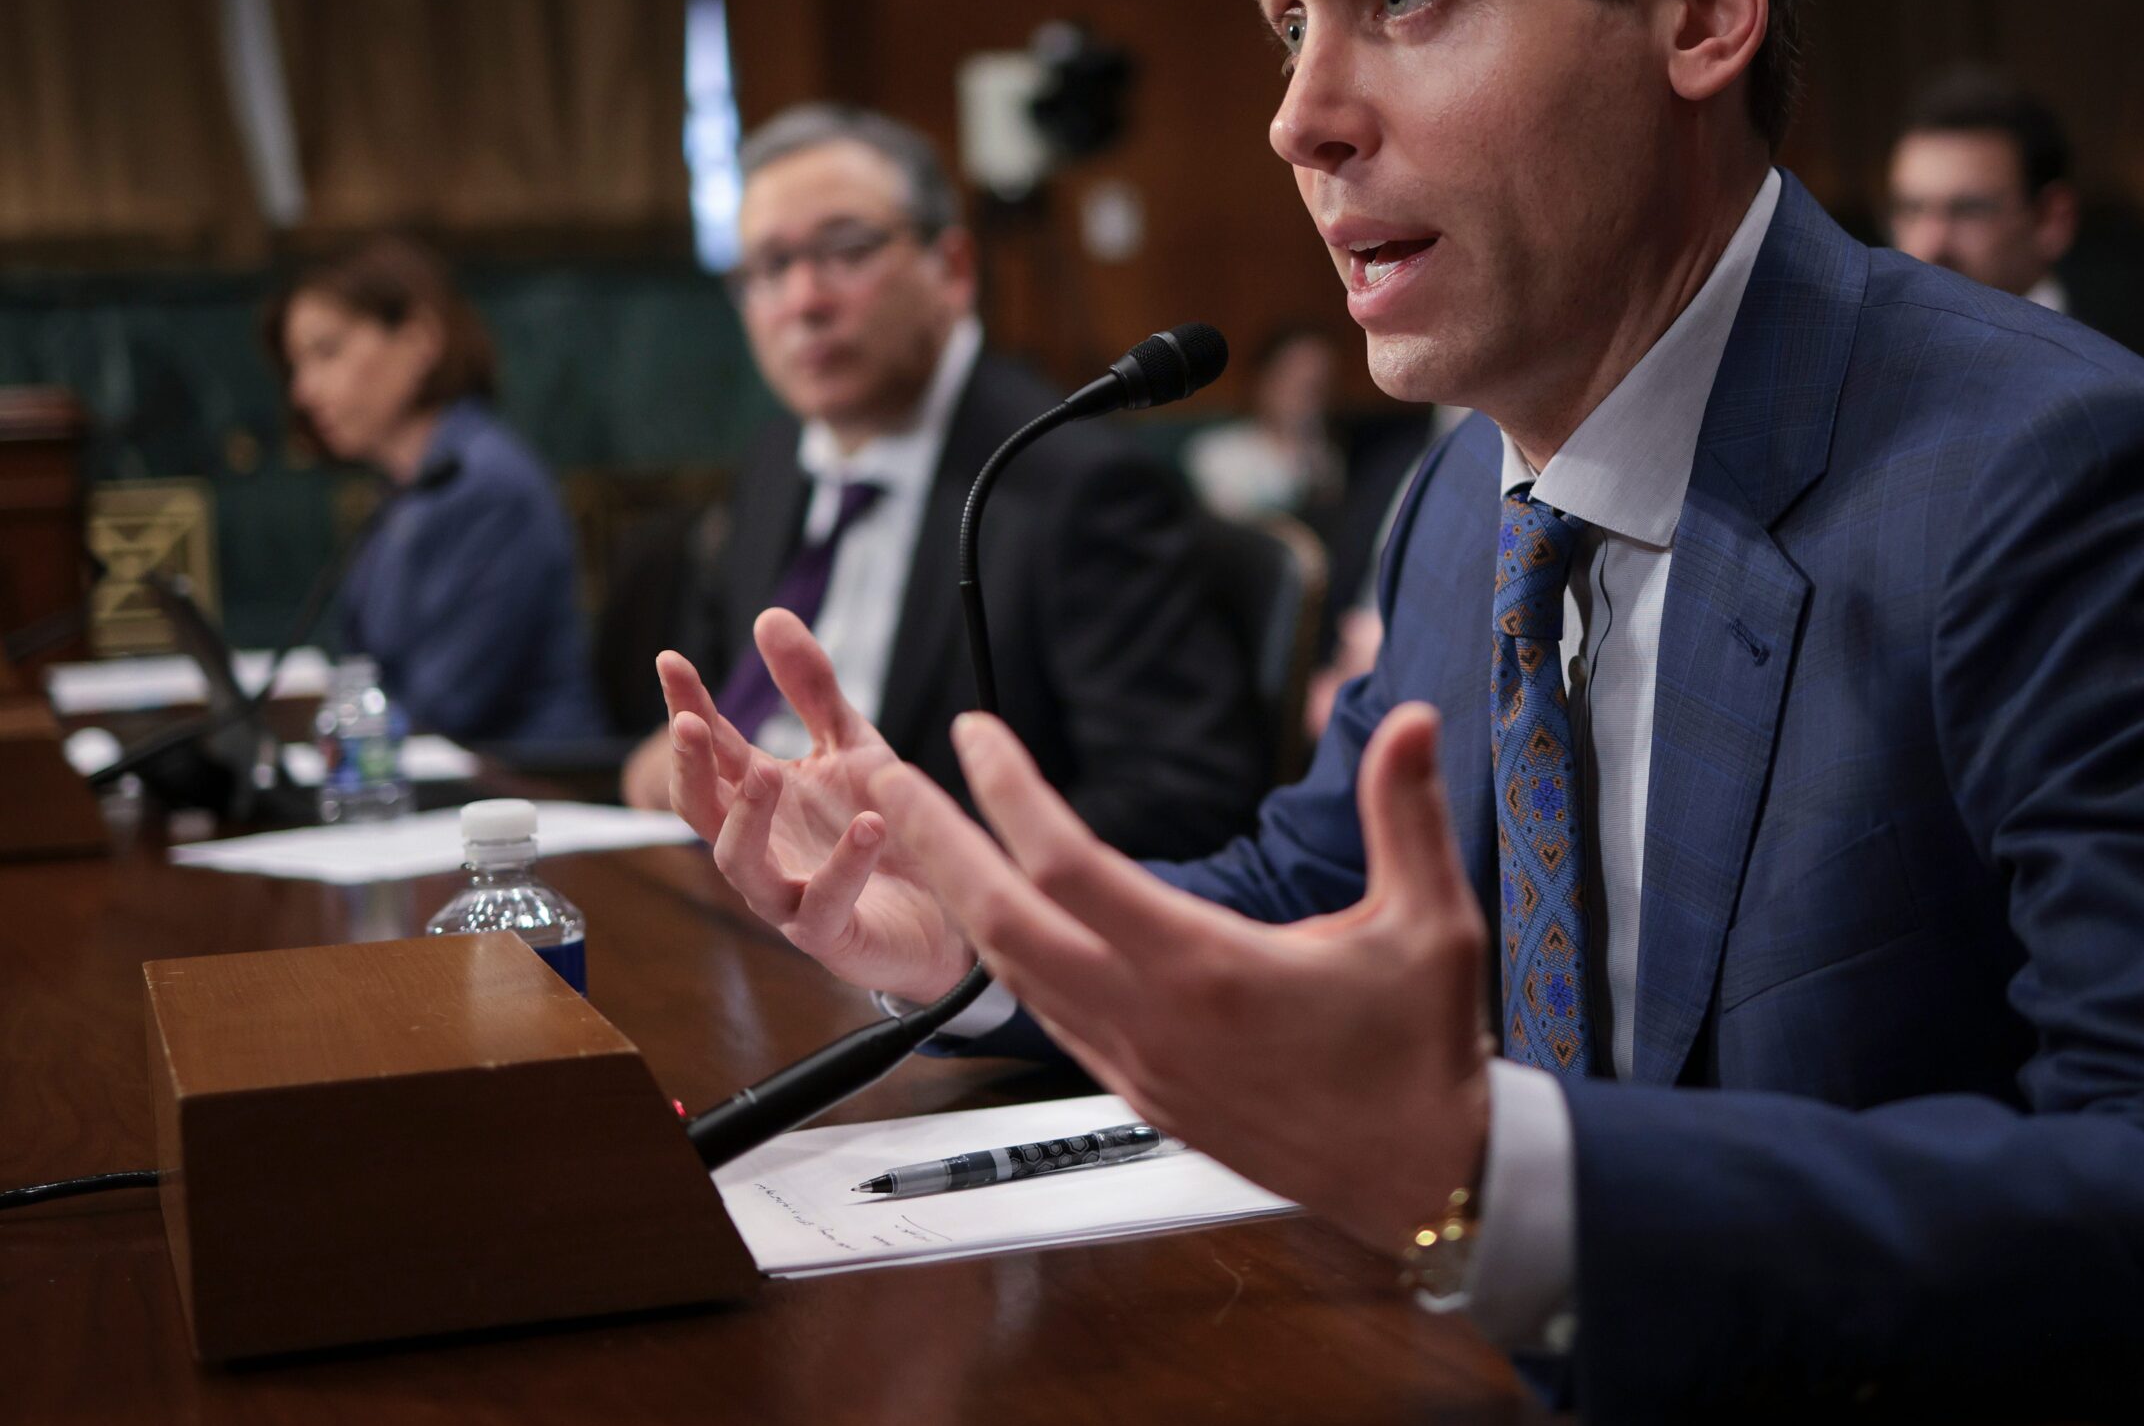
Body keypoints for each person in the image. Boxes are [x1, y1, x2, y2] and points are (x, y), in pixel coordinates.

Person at [654, 0, 2144, 1426]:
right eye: (1284, 21)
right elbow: (1313, 884)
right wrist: (987, 938)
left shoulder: (2056, 479)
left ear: (1700, 12)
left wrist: (1507, 1183)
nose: (1297, 116)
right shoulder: (1467, 492)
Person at [620, 104, 1265, 861]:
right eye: (767, 268)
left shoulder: (1076, 487)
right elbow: (729, 704)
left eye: (846, 249)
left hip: (939, 938)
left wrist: (917, 865)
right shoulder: (774, 461)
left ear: (952, 270)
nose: (803, 302)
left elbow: (1182, 794)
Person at [264, 239, 604, 742]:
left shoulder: (488, 486)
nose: (303, 391)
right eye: (296, 365)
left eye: (327, 351)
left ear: (420, 341)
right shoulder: (405, 488)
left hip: (524, 787)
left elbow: (446, 702)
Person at [1884, 67, 2079, 311]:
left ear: (2051, 220)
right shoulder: (1869, 346)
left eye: (1969, 210)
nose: (1932, 246)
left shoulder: (2117, 347)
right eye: (1911, 209)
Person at [1182, 321, 1344, 523]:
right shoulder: (1215, 451)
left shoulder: (1325, 455)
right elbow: (1226, 531)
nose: (1305, 397)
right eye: (1293, 380)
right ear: (1264, 380)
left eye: (1317, 385)